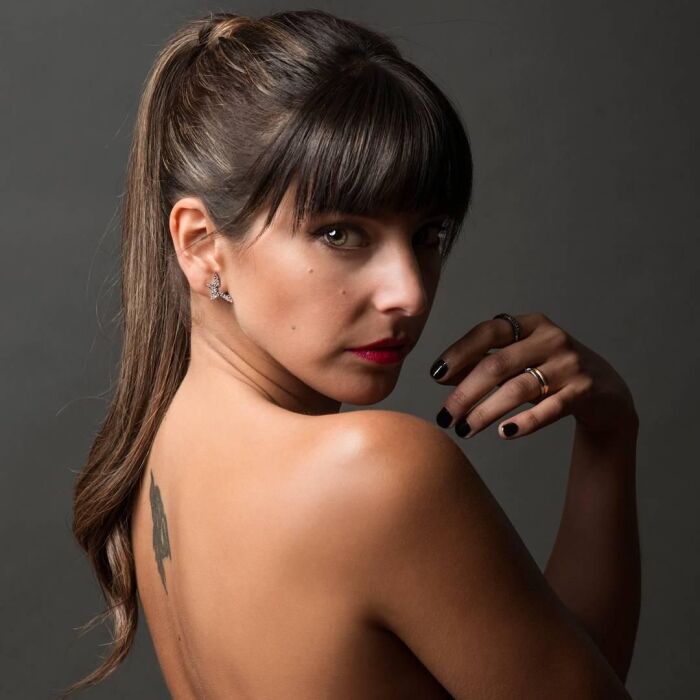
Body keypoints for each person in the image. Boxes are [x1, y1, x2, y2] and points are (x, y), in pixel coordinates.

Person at [66, 9, 640, 699]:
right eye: (341, 233)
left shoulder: (159, 462)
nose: (409, 293)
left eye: (429, 235)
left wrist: (608, 437)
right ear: (200, 244)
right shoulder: (375, 473)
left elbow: (554, 668)